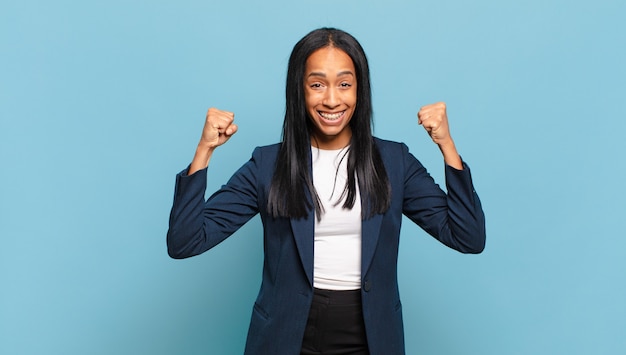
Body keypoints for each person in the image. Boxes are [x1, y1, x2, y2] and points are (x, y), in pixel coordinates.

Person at [167, 27, 486, 355]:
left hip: (370, 336)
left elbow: (468, 237)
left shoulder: (394, 162)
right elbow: (185, 241)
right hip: (286, 335)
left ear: (359, 90)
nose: (332, 99)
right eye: (317, 84)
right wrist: (204, 151)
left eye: (344, 84)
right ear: (299, 91)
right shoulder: (268, 164)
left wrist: (447, 146)